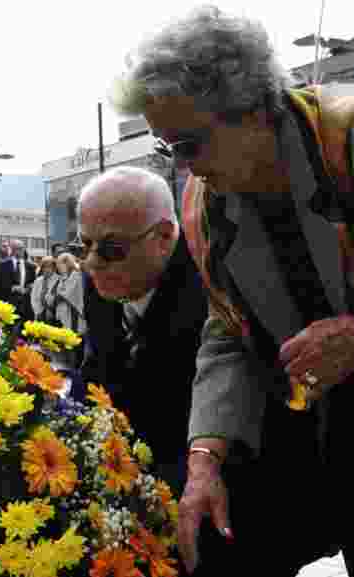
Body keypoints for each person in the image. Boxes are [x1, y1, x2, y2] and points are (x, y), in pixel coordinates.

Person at [114, 5, 354, 573]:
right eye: (168, 150)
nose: (185, 171)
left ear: (251, 110)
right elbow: (229, 330)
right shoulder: (206, 204)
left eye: (190, 145)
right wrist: (206, 456)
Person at [74, 167, 207, 496]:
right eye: (84, 245)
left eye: (111, 249)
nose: (92, 263)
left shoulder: (208, 285)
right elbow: (99, 372)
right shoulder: (101, 282)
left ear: (163, 237)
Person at [30, 256, 57, 322]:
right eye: (44, 267)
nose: (46, 269)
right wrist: (38, 311)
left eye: (49, 267)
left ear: (54, 268)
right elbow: (33, 297)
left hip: (53, 315)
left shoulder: (58, 280)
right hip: (39, 314)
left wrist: (51, 311)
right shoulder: (38, 280)